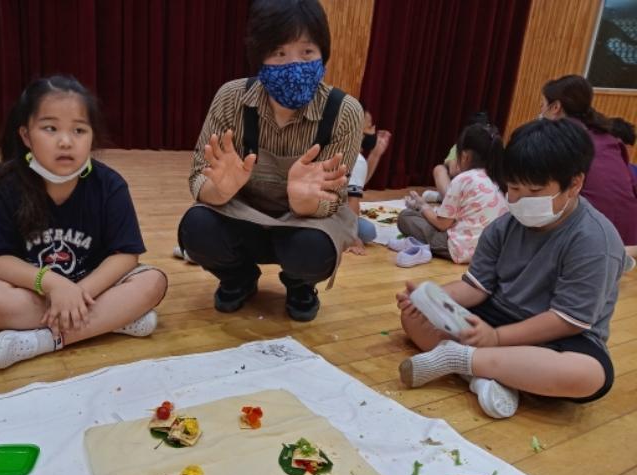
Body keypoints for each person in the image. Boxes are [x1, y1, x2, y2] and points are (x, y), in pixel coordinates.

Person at [397, 119, 625, 418]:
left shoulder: (595, 239)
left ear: (574, 184)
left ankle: (462, 360)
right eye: (513, 188)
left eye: (533, 190)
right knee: (412, 319)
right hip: (495, 318)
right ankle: (484, 374)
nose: (518, 200)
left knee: (588, 375)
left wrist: (498, 338)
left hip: (559, 336)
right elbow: (475, 287)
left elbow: (567, 320)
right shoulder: (504, 226)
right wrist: (431, 299)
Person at [0, 75, 167, 369]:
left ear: (92, 137)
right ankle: (112, 320)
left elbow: (126, 255)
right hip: (34, 293)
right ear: (25, 135)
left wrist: (76, 293)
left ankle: (42, 341)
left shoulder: (110, 185)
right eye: (50, 128)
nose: (66, 141)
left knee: (153, 281)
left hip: (94, 290)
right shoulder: (2, 185)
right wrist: (53, 284)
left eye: (79, 130)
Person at [177, 0, 363, 322]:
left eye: (307, 52)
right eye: (279, 53)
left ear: (323, 53)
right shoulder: (231, 98)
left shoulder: (345, 112)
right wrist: (219, 191)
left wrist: (304, 203)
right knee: (196, 228)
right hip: (243, 219)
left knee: (314, 249)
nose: (294, 65)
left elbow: (335, 201)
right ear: (259, 56)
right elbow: (197, 177)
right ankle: (238, 277)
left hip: (300, 228)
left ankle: (299, 284)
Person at [540, 74, 637, 260]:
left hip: (591, 238)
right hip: (630, 234)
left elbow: (546, 192)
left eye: (542, 104)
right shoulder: (610, 139)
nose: (541, 110)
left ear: (556, 107)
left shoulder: (559, 138)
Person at [394, 123, 508, 267]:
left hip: (459, 249)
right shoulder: (498, 179)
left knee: (406, 217)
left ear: (465, 156)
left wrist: (422, 206)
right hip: (489, 253)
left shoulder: (464, 178)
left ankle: (423, 249)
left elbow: (442, 224)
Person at [346, 110, 392, 255]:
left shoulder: (347, 149)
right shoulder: (357, 158)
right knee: (367, 231)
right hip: (333, 214)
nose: (374, 130)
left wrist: (375, 154)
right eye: (370, 126)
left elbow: (359, 182)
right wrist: (353, 237)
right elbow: (352, 199)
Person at [425, 111, 491, 202]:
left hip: (479, 188)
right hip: (458, 184)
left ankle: (445, 199)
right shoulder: (460, 145)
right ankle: (448, 199)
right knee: (439, 169)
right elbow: (453, 171)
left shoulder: (491, 146)